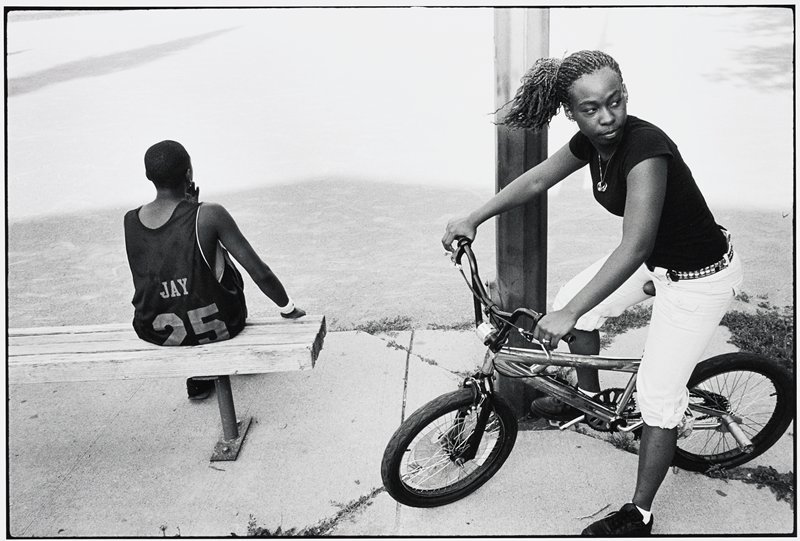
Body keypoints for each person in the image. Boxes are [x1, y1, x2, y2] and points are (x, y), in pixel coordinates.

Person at [441, 50, 743, 536]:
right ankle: (585, 398)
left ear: (625, 96)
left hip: (701, 279)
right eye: (590, 109)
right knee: (575, 303)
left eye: (615, 102)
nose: (606, 118)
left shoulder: (646, 149)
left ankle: (639, 515)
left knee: (658, 398)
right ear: (571, 112)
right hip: (661, 267)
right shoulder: (591, 142)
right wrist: (474, 217)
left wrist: (569, 312)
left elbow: (635, 243)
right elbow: (538, 178)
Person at [124, 140, 305, 400]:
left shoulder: (131, 219)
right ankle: (209, 365)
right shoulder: (210, 214)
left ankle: (198, 377)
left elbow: (164, 264)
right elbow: (258, 271)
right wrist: (288, 308)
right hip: (219, 325)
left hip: (155, 330)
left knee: (183, 253)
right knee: (216, 248)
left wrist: (189, 214)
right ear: (189, 174)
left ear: (148, 176)